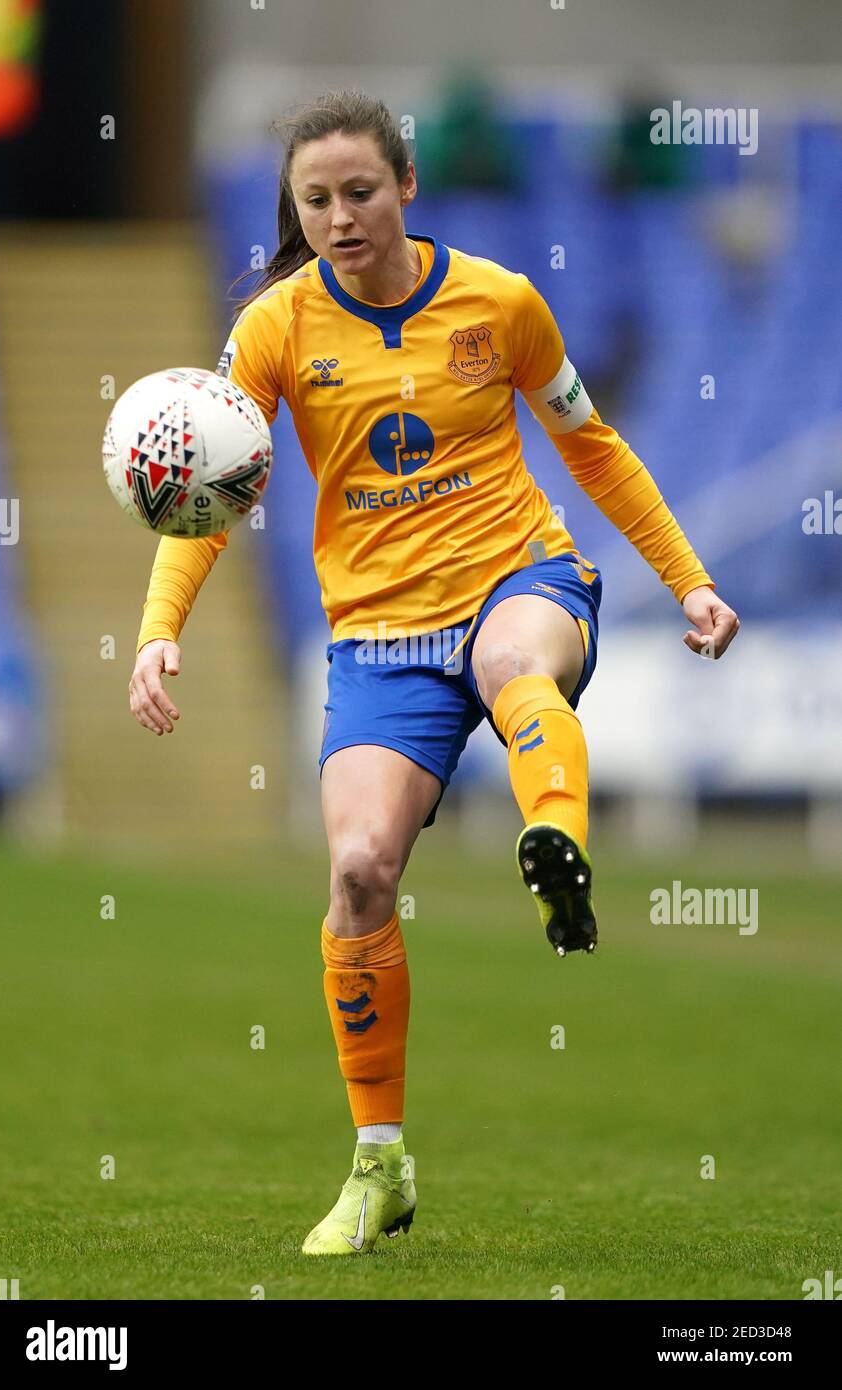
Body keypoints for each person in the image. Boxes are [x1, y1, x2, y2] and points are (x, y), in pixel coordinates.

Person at [128, 90, 739, 1256]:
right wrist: (162, 625)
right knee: (357, 871)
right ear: (295, 210)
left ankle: (554, 844)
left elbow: (590, 445)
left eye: (359, 192)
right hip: (376, 636)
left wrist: (686, 578)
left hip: (520, 577)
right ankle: (378, 1166)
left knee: (515, 660)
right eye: (315, 200)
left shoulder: (499, 301)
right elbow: (213, 490)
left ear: (406, 186)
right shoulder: (273, 330)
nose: (339, 217)